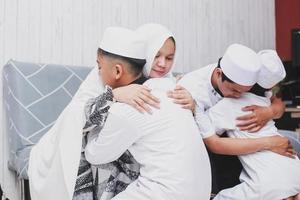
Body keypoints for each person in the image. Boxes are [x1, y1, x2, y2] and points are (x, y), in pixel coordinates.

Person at [84, 27, 211, 199]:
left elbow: (94, 154)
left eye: (169, 58)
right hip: (199, 191)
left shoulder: (138, 103)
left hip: (166, 191)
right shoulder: (169, 88)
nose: (162, 64)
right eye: (156, 55)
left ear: (118, 70)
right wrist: (113, 96)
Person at [173, 44, 294, 193]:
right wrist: (268, 143)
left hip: (238, 151)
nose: (238, 96)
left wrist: (269, 111)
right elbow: (203, 141)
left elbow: (276, 101)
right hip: (205, 149)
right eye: (234, 90)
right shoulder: (191, 90)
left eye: (245, 92)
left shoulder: (240, 70)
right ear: (218, 74)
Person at [207, 50, 300, 200]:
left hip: (268, 183)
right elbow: (277, 101)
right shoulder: (265, 99)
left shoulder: (228, 105)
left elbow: (203, 133)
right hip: (294, 168)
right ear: (270, 88)